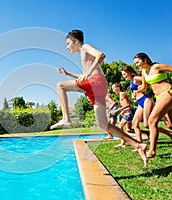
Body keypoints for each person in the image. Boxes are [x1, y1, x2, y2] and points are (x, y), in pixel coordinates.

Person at [50, 29, 148, 167]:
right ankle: (138, 145)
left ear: (75, 41)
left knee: (60, 86)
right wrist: (68, 74)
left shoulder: (85, 47)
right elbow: (84, 75)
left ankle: (66, 119)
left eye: (68, 43)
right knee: (103, 124)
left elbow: (101, 55)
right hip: (97, 87)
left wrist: (88, 73)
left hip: (96, 82)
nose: (67, 47)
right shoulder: (83, 55)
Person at [133, 52, 172, 158]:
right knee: (171, 125)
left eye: (138, 62)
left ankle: (152, 151)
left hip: (168, 93)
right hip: (159, 97)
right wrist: (137, 91)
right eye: (135, 63)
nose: (136, 65)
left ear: (145, 60)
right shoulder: (144, 72)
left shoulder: (157, 67)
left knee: (152, 121)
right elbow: (144, 87)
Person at [121, 66, 172, 146]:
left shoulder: (136, 78)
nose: (124, 76)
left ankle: (171, 134)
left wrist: (142, 87)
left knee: (147, 124)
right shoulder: (132, 81)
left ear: (129, 72)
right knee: (135, 123)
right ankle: (139, 144)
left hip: (146, 100)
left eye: (124, 74)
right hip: (140, 102)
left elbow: (147, 80)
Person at [111, 83, 135, 147]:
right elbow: (129, 102)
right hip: (127, 112)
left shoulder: (122, 94)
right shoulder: (121, 94)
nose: (113, 90)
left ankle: (123, 143)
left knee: (120, 127)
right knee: (129, 130)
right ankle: (147, 133)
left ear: (118, 87)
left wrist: (117, 110)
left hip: (128, 112)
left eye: (113, 88)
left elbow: (127, 105)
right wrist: (123, 110)